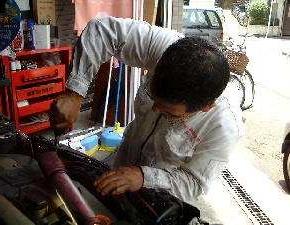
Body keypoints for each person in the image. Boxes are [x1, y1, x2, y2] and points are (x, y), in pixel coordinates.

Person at [49, 16, 244, 203]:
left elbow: (194, 183)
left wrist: (145, 177)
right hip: (126, 156)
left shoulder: (224, 127)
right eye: (153, 98)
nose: (155, 110)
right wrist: (75, 92)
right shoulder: (167, 48)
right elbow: (102, 30)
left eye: (170, 113)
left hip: (159, 197)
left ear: (206, 107)